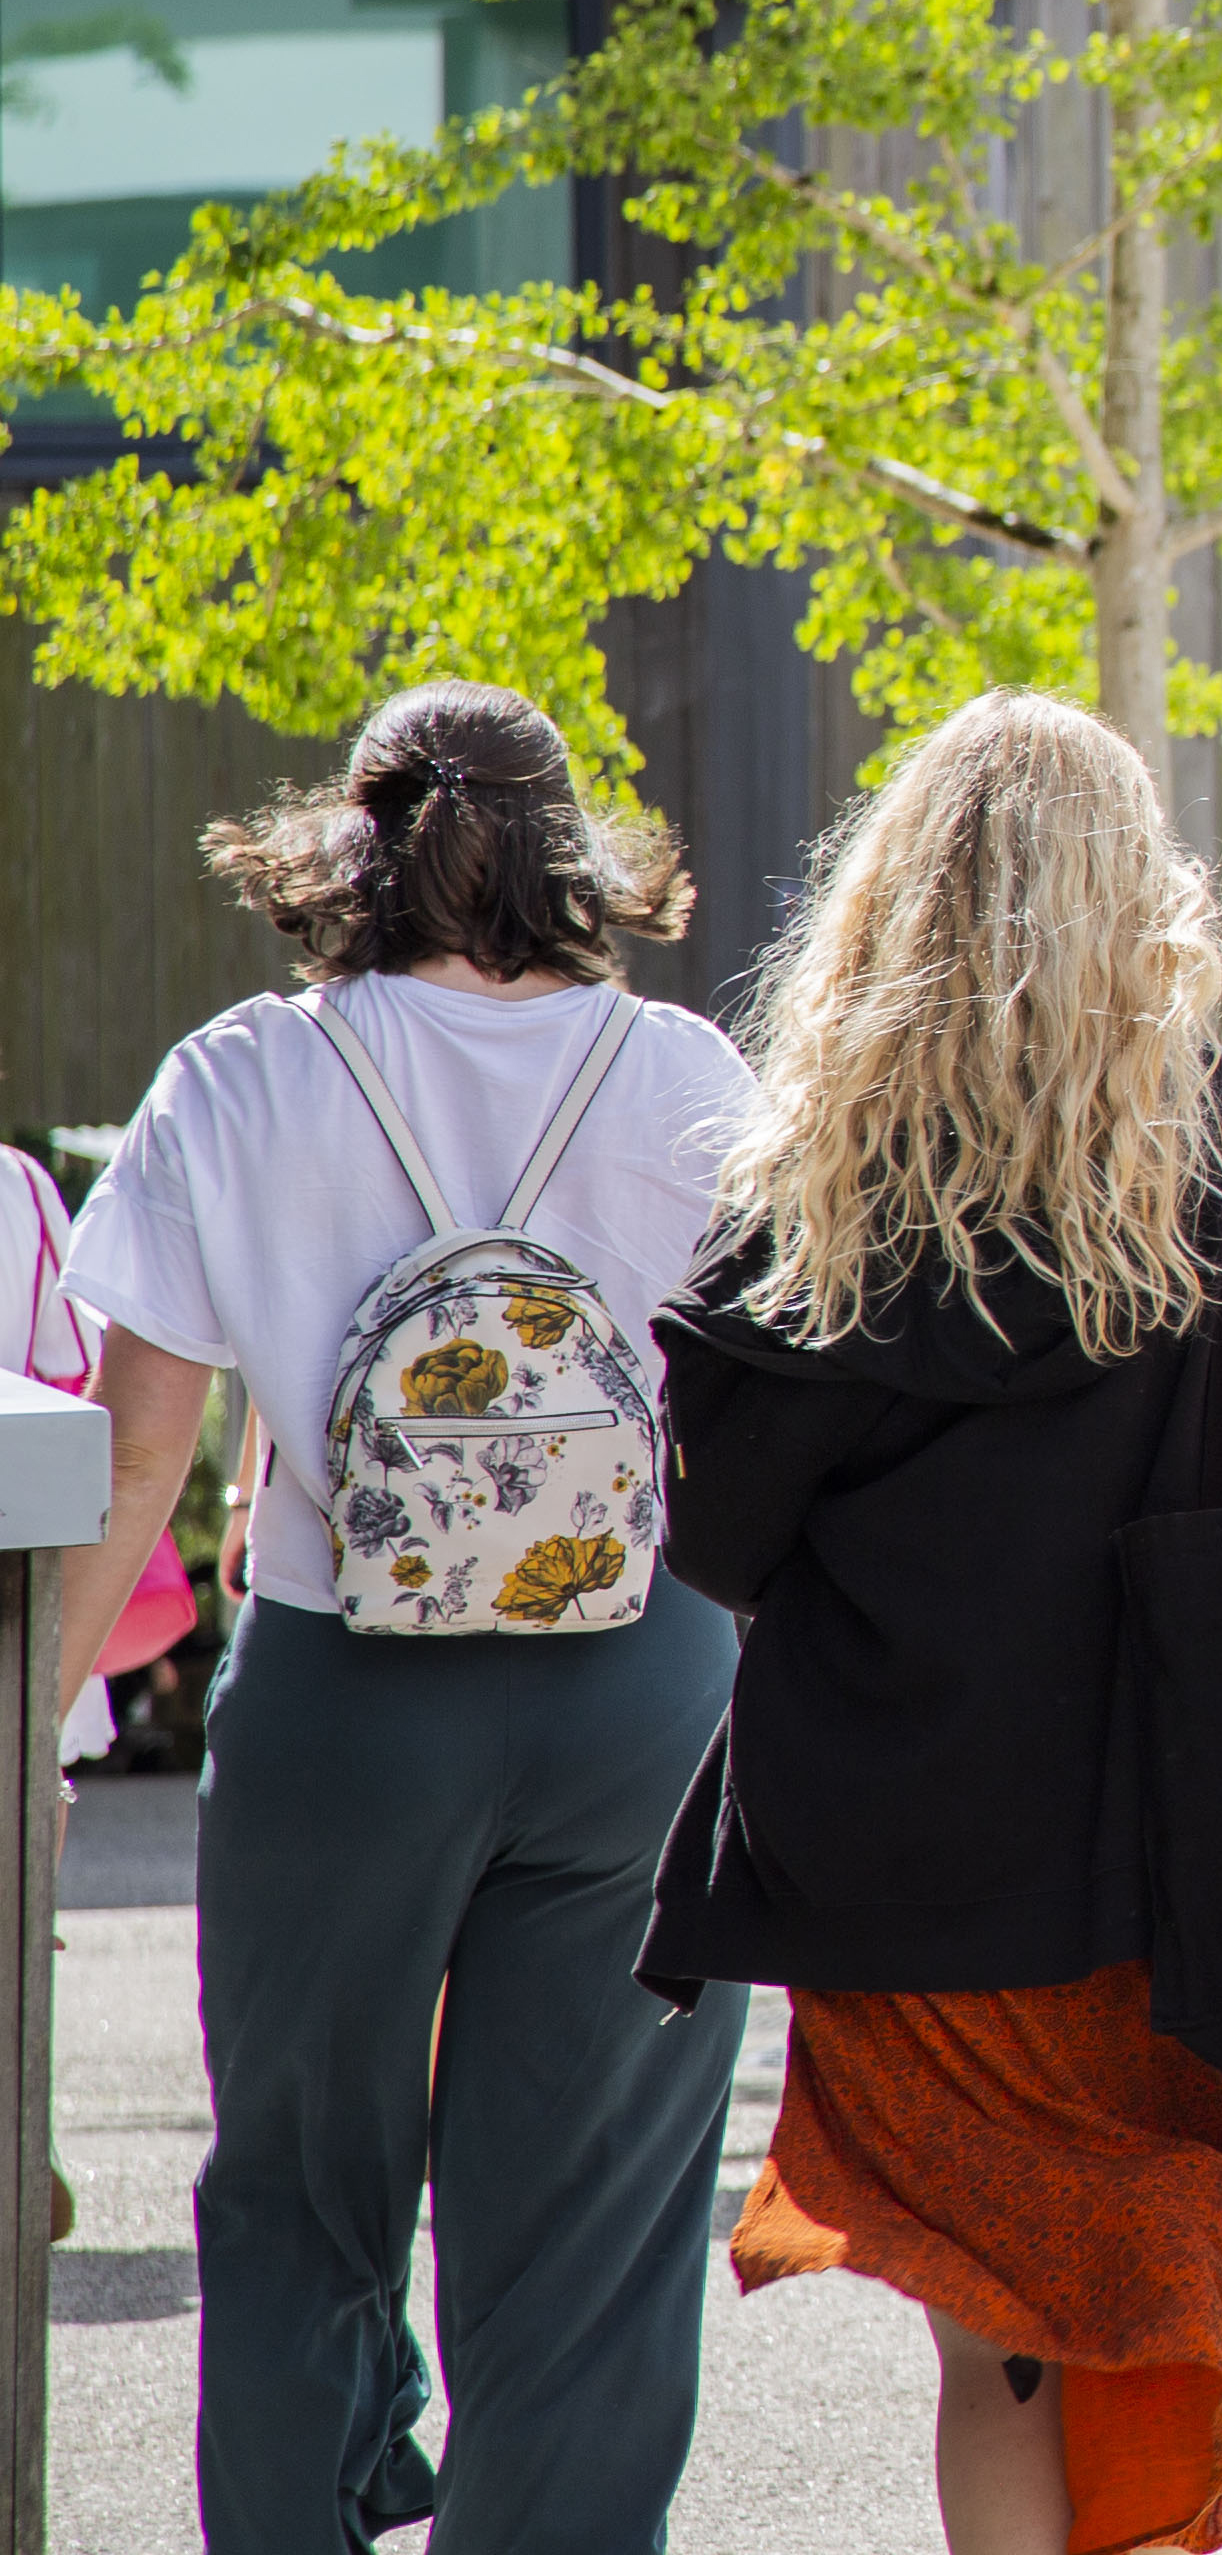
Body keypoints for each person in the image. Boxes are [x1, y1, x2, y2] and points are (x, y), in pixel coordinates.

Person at [634, 691, 1222, 2555]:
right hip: (1166, 1844)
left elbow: (715, 1533)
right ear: (1139, 894)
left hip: (900, 1848)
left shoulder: (828, 1177)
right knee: (1147, 2298)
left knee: (998, 2351)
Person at [37, 683, 758, 2555]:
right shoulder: (691, 1081)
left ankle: (316, 2493)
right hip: (644, 1692)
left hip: (343, 1694)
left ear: (348, 849)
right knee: (590, 2231)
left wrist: (31, 1720)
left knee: (296, 2196)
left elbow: (137, 1468)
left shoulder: (243, 1075)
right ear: (570, 850)